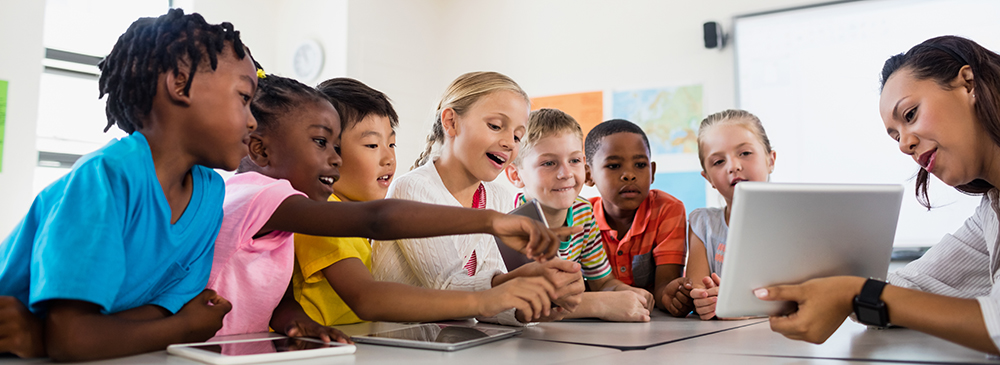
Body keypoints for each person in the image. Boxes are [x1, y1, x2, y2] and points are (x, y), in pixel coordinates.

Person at [212, 74, 569, 338]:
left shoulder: (298, 214)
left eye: (391, 145)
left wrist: (293, 320)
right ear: (259, 149)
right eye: (322, 143)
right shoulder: (271, 199)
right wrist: (489, 247)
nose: (333, 159)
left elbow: (276, 293)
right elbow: (377, 234)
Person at [0, 9, 252, 361]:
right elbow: (71, 339)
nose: (253, 121)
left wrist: (64, 336)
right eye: (244, 97)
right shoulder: (105, 177)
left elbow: (154, 312)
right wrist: (185, 329)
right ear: (181, 83)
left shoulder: (211, 194)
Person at [756, 35, 1000, 355]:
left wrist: (852, 291)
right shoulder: (991, 212)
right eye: (895, 135)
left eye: (910, 114)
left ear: (968, 84)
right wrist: (805, 288)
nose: (903, 145)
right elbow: (911, 286)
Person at [372, 71, 586, 326]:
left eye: (518, 136)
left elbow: (489, 301)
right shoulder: (412, 189)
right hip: (400, 348)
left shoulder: (498, 198)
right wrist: (514, 285)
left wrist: (527, 307)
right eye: (495, 126)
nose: (509, 143)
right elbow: (447, 288)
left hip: (458, 345)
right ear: (451, 122)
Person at [504, 108, 655, 322]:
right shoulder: (508, 222)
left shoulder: (583, 212)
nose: (566, 173)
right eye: (549, 163)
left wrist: (627, 293)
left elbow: (602, 282)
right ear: (515, 175)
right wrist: (602, 305)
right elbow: (523, 303)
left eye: (574, 161)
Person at [583, 119, 689, 316]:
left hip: (648, 321)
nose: (629, 175)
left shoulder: (667, 210)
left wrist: (671, 296)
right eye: (614, 166)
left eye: (640, 164)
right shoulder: (580, 218)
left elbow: (664, 285)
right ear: (588, 174)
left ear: (652, 172)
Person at [682, 109, 776, 320]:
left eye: (745, 153)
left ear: (771, 160)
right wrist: (706, 301)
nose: (733, 166)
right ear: (708, 179)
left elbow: (804, 297)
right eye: (718, 162)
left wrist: (738, 304)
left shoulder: (796, 223)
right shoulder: (702, 224)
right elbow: (699, 291)